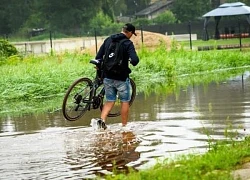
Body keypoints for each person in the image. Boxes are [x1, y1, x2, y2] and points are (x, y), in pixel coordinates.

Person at [94, 23, 139, 129]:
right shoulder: (128, 43)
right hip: (121, 78)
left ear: (122, 30)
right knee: (124, 101)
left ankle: (102, 120)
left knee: (110, 100)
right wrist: (131, 61)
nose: (131, 36)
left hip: (107, 76)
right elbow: (135, 60)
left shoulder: (109, 39)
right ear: (129, 33)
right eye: (132, 34)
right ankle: (124, 126)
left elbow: (99, 56)